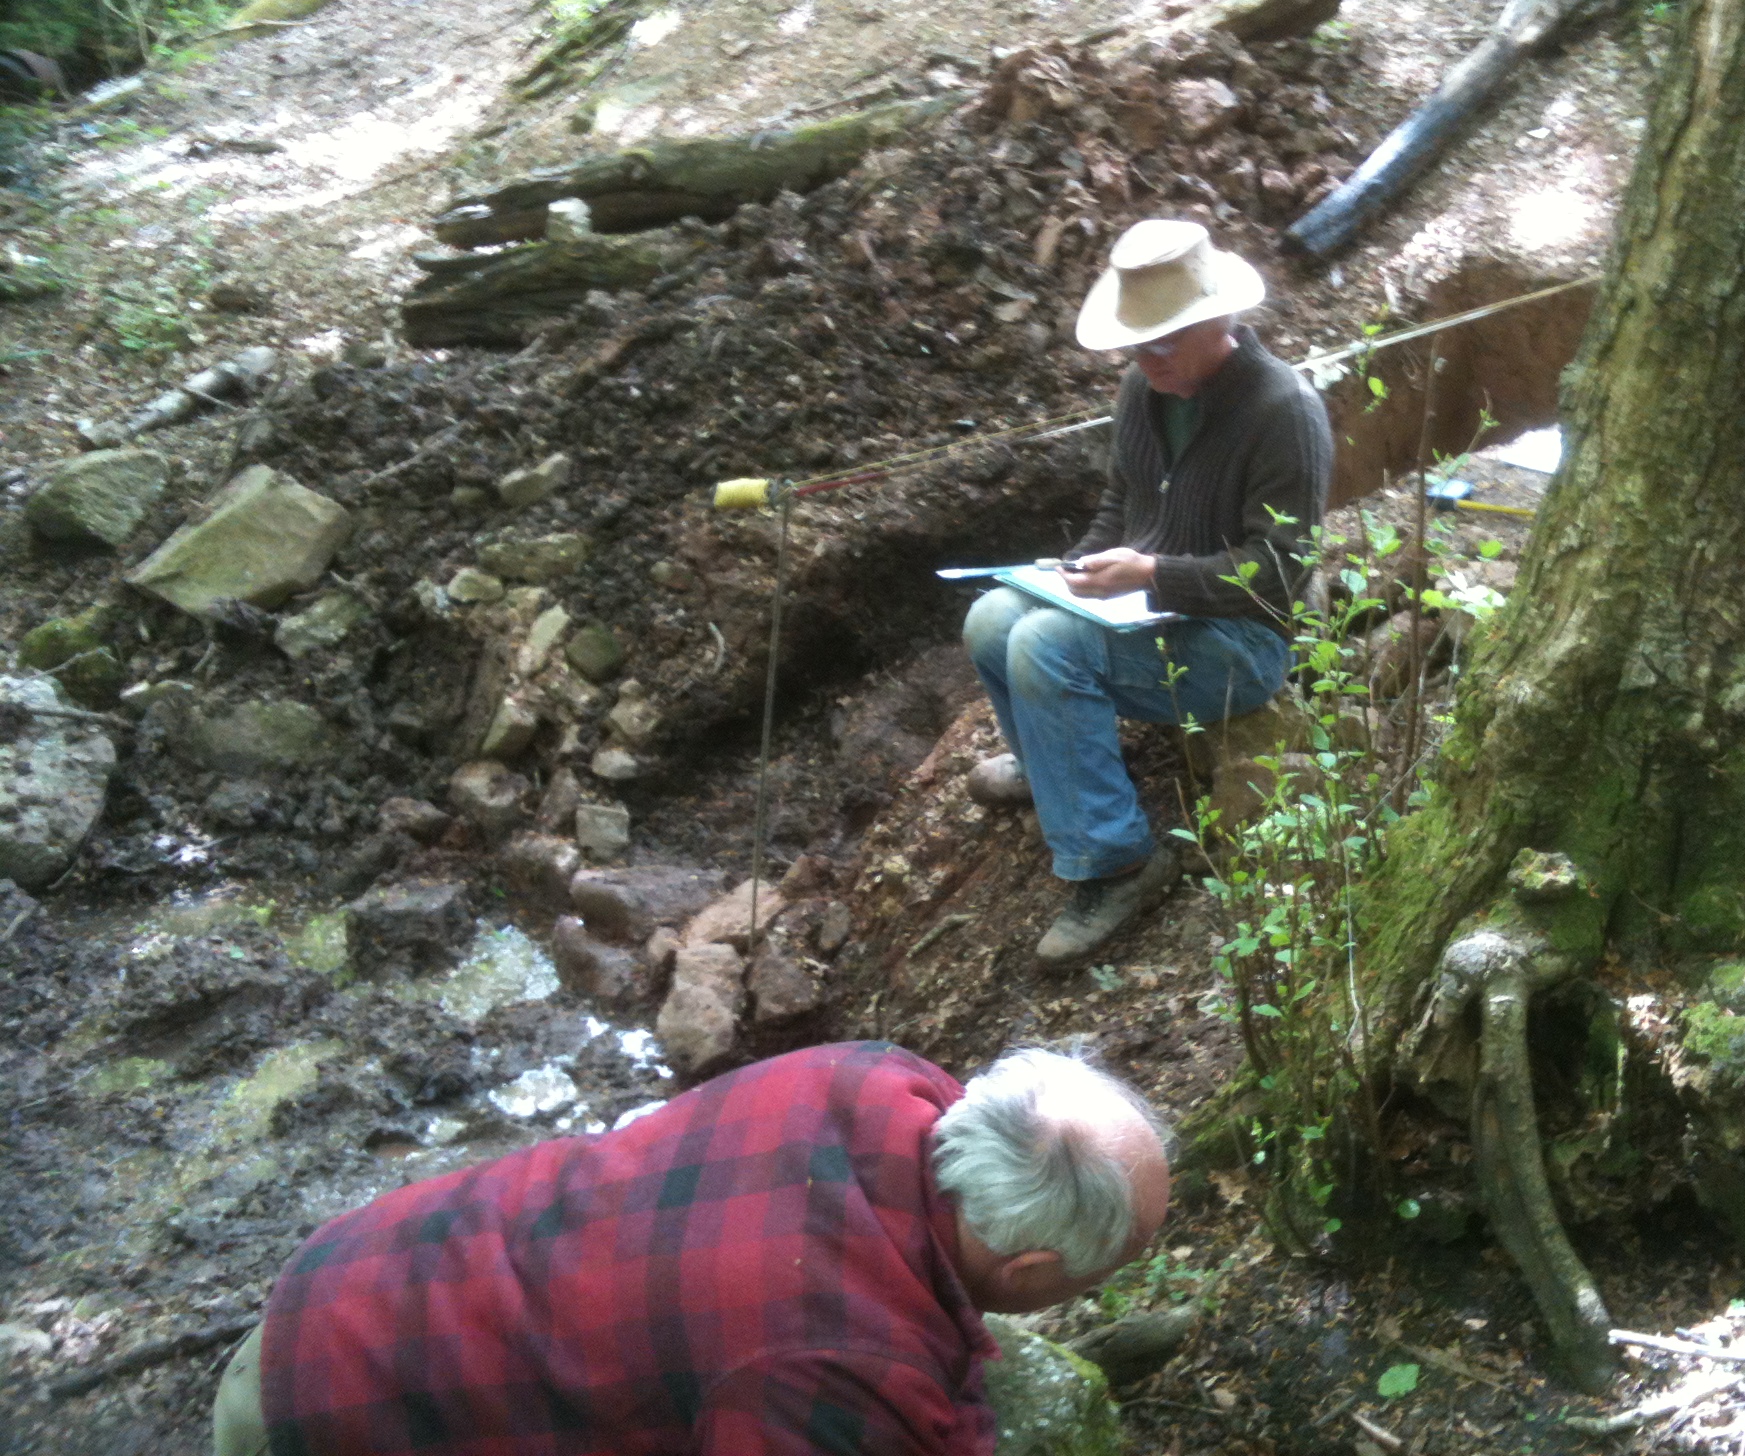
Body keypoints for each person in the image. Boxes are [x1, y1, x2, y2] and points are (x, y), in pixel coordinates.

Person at [212, 1041, 1169, 1456]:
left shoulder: (877, 1076)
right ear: (1030, 1273)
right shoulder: (834, 1365)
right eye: (1113, 1263)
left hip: (355, 1268)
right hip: (325, 1414)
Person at [964, 218, 1333, 968]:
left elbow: (1279, 571)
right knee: (992, 617)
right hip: (1149, 609)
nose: (1145, 357)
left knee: (1045, 645)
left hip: (1244, 642)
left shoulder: (1283, 410)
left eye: (1163, 341)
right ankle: (1050, 767)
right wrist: (1079, 567)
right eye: (1137, 343)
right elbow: (1121, 502)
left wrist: (1154, 575)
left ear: (1219, 321)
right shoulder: (1144, 388)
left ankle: (1117, 863)